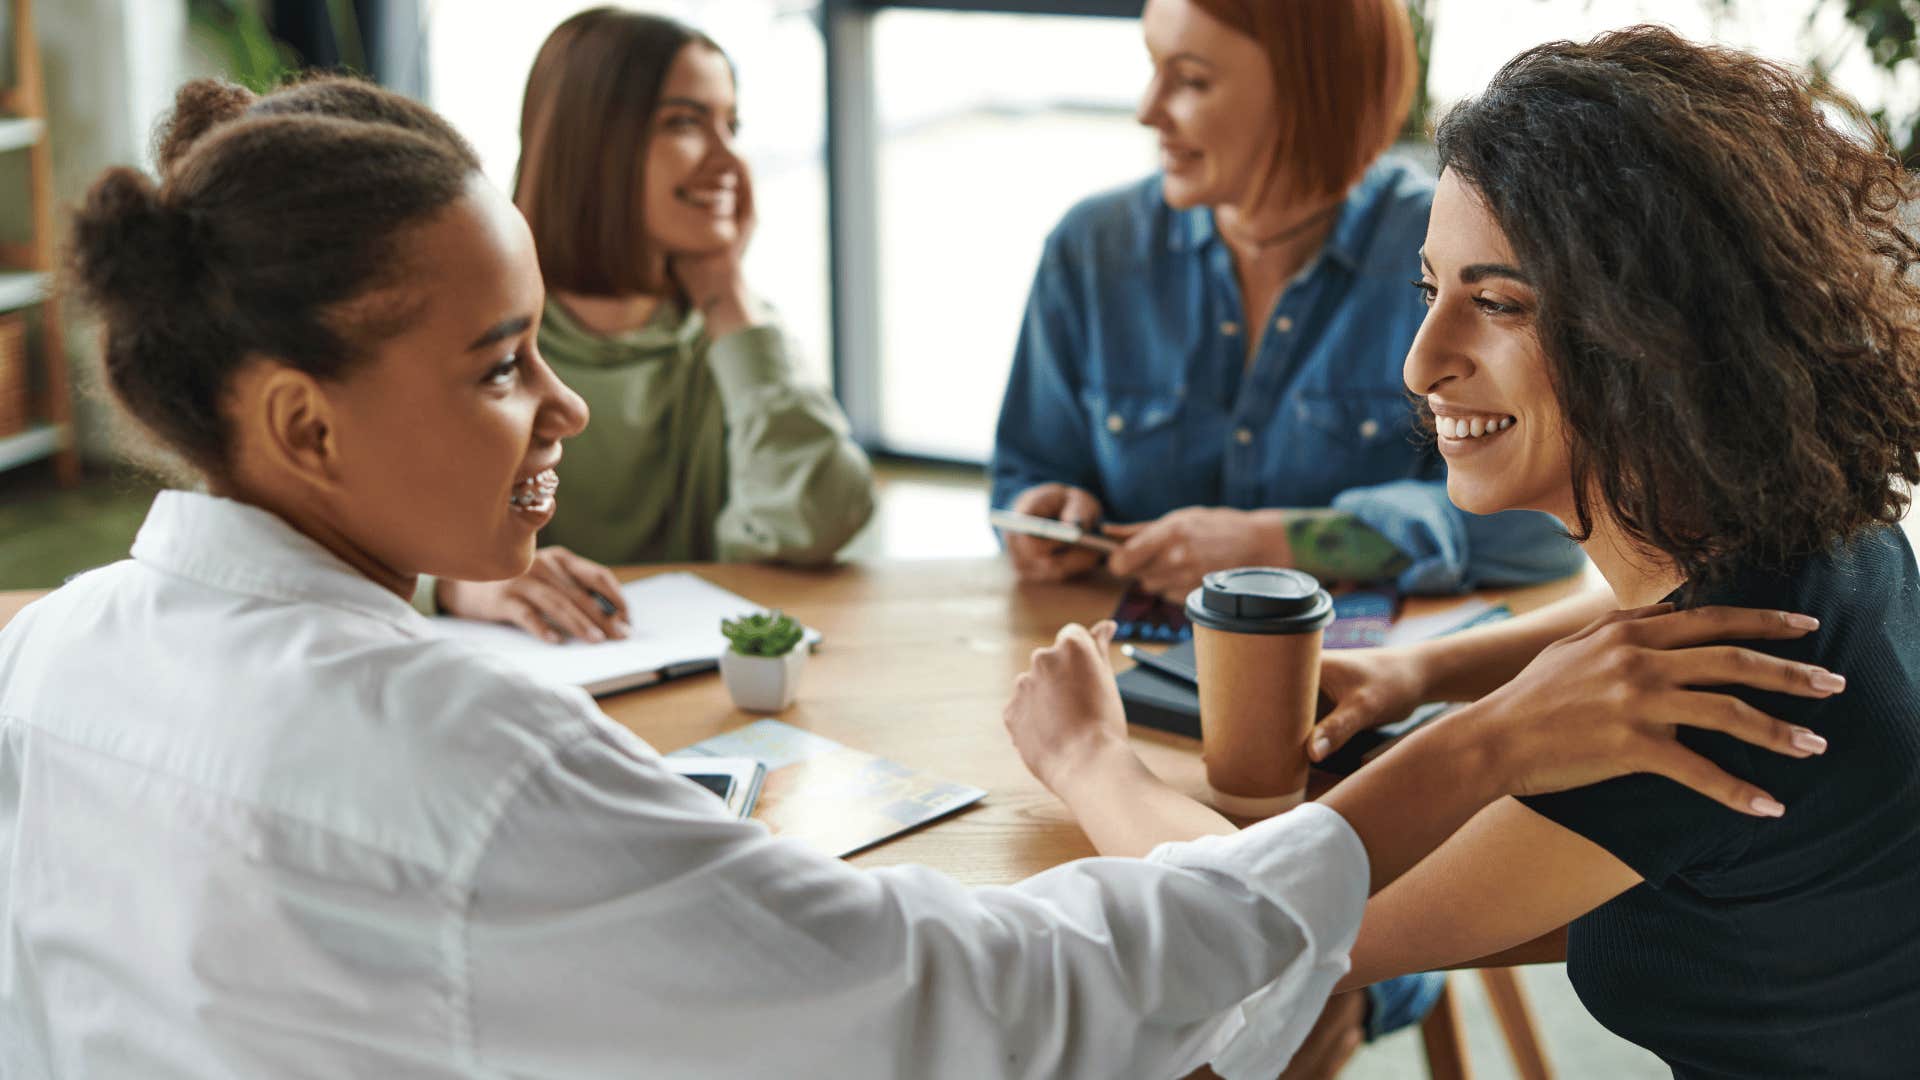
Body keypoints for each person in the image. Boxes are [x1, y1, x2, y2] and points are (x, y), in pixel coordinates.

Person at [0, 75, 1829, 1079]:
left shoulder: (54, 654)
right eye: (497, 367)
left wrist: (1431, 675)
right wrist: (1469, 740)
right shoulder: (462, 762)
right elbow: (974, 1005)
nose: (553, 399)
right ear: (303, 431)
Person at [1017, 26, 1920, 1077]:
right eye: (1429, 290)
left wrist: (1088, 757)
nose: (1420, 364)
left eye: (1495, 304)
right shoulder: (1826, 537)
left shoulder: (1695, 718)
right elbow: (1659, 618)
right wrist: (1427, 668)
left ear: (1652, 337)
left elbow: (1265, 935)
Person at [990, 0, 1582, 603]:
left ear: (1310, 92)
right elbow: (1027, 472)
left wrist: (1283, 543)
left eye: (1191, 80)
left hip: (1368, 673)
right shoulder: (1092, 248)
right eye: (1153, 68)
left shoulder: (1453, 253)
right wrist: (1044, 512)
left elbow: (1542, 531)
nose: (1148, 111)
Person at [426, 8, 876, 643]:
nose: (729, 160)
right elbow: (341, 525)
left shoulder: (737, 335)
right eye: (686, 123)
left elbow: (815, 524)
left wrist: (726, 296)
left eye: (732, 125)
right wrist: (453, 582)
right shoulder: (461, 329)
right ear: (592, 141)